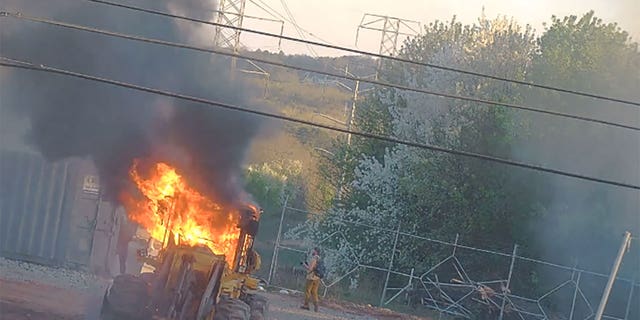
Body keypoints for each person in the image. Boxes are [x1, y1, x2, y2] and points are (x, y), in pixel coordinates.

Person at [301, 247, 321, 312]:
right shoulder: (320, 259)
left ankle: (306, 305)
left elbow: (310, 269)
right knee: (314, 292)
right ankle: (316, 305)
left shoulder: (314, 259)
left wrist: (304, 265)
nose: (312, 251)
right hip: (317, 278)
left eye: (314, 250)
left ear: (316, 252)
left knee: (308, 291)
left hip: (311, 277)